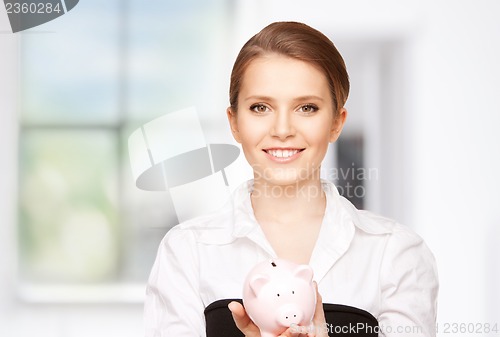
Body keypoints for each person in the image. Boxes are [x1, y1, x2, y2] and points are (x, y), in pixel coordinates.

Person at [144, 21, 438, 337]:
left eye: (306, 108)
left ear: (336, 123)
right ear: (235, 123)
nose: (283, 129)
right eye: (260, 107)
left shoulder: (394, 253)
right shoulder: (188, 251)